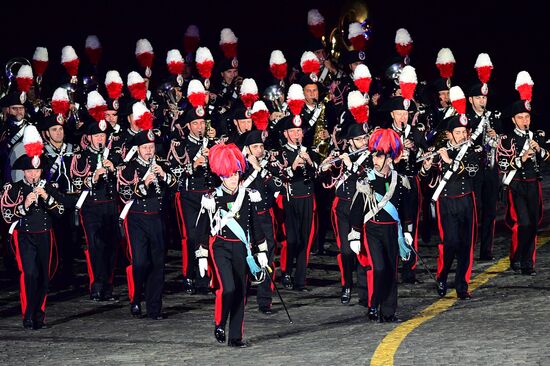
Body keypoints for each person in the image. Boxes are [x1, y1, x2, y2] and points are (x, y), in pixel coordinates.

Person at [195, 143, 269, 347]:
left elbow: (255, 224)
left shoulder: (248, 195)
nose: (233, 178)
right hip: (220, 247)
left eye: (236, 173)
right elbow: (201, 228)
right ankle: (220, 323)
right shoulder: (212, 198)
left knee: (240, 293)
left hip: (242, 249)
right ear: (221, 175)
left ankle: (235, 337)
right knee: (228, 288)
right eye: (229, 175)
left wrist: (261, 249)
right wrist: (201, 254)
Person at [1, 125, 64, 329]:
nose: (34, 175)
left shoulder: (48, 188)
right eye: (30, 171)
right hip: (25, 236)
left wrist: (46, 197)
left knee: (44, 276)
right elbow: (6, 214)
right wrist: (25, 205)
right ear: (24, 172)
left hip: (45, 235)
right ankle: (28, 315)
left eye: (37, 170)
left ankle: (40, 315)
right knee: (29, 274)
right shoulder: (15, 189)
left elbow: (62, 211)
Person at [348, 128, 412, 322]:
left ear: (390, 157)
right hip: (373, 230)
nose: (375, 160)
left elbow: (407, 208)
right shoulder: (366, 180)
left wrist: (408, 230)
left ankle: (388, 311)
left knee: (392, 271)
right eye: (374, 155)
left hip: (392, 229)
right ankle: (374, 304)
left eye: (379, 156)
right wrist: (355, 234)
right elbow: (356, 209)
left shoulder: (400, 180)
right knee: (379, 269)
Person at [118, 127, 177, 319]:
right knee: (141, 262)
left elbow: (176, 185)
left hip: (157, 218)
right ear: (138, 149)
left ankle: (154, 308)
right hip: (137, 219)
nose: (149, 151)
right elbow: (123, 193)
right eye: (145, 147)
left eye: (151, 147)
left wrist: (164, 176)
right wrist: (144, 184)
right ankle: (135, 298)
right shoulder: (129, 168)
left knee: (158, 264)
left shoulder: (160, 164)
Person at [422, 115, 481, 299]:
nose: (463, 135)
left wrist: (449, 161)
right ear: (449, 135)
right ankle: (442, 276)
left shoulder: (473, 150)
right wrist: (426, 166)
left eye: (465, 132)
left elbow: (472, 170)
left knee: (466, 245)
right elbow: (427, 181)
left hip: (466, 201)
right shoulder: (440, 151)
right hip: (446, 202)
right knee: (450, 243)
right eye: (458, 132)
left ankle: (462, 285)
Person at [70, 116, 120, 301]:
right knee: (96, 246)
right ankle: (97, 285)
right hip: (91, 206)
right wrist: (93, 177)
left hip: (110, 205)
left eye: (103, 135)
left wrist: (114, 170)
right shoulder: (80, 157)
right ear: (89, 137)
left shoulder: (114, 155)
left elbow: (127, 179)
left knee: (112, 247)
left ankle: (108, 285)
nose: (100, 139)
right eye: (96, 135)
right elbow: (75, 180)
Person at [168, 107, 216, 294]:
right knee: (192, 236)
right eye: (195, 123)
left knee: (208, 235)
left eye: (202, 123)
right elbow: (173, 173)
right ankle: (189, 274)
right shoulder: (179, 145)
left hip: (209, 194)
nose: (200, 127)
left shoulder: (211, 144)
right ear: (188, 126)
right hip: (189, 195)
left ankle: (205, 277)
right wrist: (193, 165)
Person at [497, 100, 548, 275]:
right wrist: (522, 157)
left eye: (527, 117)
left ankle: (527, 263)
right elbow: (502, 163)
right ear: (513, 120)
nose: (524, 120)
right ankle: (517, 256)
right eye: (520, 117)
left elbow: (547, 156)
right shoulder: (507, 138)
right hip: (517, 184)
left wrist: (539, 150)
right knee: (524, 223)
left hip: (533, 184)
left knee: (533, 225)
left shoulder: (537, 136)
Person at [320, 123, 369, 304]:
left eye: (365, 138)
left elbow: (368, 176)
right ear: (349, 142)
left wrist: (351, 165)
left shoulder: (370, 156)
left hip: (363, 207)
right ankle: (346, 285)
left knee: (362, 249)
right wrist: (325, 168)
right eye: (359, 139)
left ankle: (365, 290)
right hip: (342, 207)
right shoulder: (341, 156)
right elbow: (326, 181)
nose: (363, 141)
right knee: (346, 250)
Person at [467, 83, 501, 261]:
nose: (482, 101)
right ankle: (469, 248)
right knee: (474, 209)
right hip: (474, 170)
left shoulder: (493, 117)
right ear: (470, 99)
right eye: (479, 98)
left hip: (491, 169)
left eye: (484, 98)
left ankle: (486, 250)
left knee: (490, 210)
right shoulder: (466, 119)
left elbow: (504, 141)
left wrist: (496, 136)